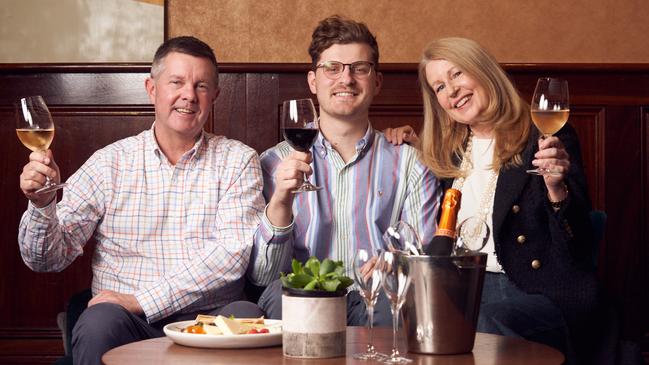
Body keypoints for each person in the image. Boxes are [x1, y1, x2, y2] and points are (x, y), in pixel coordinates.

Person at [18, 36, 265, 364]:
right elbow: (46, 260)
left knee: (247, 315)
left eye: (201, 86)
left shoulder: (239, 160)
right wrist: (42, 205)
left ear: (214, 96)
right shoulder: (110, 163)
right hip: (125, 321)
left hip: (209, 318)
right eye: (176, 82)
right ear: (151, 89)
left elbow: (231, 257)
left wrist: (142, 300)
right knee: (96, 323)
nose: (188, 95)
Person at [399, 37, 603, 364]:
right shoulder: (446, 151)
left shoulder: (544, 137)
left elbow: (580, 238)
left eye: (457, 74)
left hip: (535, 289)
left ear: (484, 72)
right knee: (397, 316)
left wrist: (555, 189)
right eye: (439, 86)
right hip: (462, 287)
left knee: (479, 324)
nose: (451, 91)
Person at [247, 15, 441, 326]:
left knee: (400, 304)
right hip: (303, 296)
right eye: (332, 68)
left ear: (376, 81)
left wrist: (397, 263)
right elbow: (263, 276)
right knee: (283, 299)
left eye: (359, 68)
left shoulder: (410, 163)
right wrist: (281, 202)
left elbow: (426, 255)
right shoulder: (273, 163)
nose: (346, 79)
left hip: (379, 294)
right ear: (313, 81)